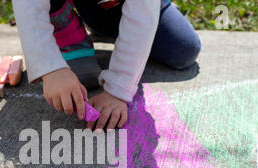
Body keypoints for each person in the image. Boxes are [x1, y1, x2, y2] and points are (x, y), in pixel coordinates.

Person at [12, 0, 201, 131]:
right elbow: (28, 5)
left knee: (183, 49)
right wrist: (51, 67)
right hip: (87, 6)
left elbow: (142, 15)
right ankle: (62, 20)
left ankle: (110, 27)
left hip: (123, 7)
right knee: (79, 74)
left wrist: (117, 89)